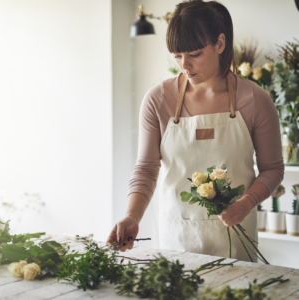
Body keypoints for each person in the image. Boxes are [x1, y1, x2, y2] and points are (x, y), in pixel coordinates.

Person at [106, 0, 284, 262]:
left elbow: (273, 169)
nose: (184, 66)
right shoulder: (158, 99)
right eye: (177, 56)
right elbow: (146, 168)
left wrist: (246, 203)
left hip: (236, 241)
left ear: (220, 44)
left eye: (194, 54)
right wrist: (133, 216)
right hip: (178, 239)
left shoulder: (255, 99)